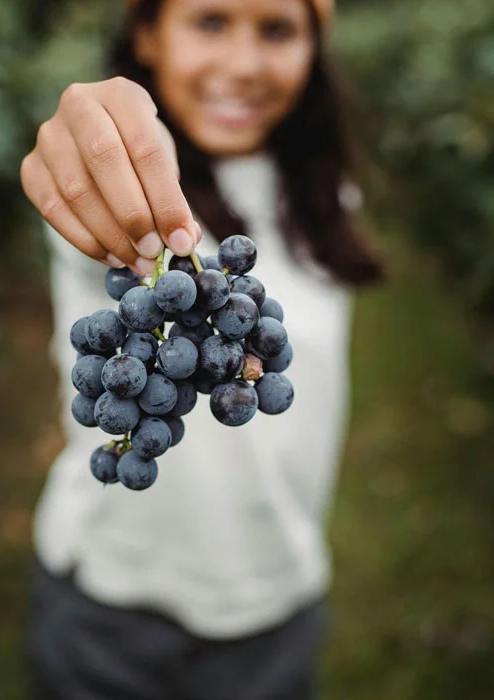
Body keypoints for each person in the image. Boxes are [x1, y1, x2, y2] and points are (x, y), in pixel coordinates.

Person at [20, 0, 384, 698]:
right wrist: (93, 129)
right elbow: (83, 167)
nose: (243, 65)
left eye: (277, 29)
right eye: (210, 21)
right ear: (147, 35)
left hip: (276, 595)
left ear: (314, 49)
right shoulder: (126, 210)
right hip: (105, 599)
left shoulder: (325, 199)